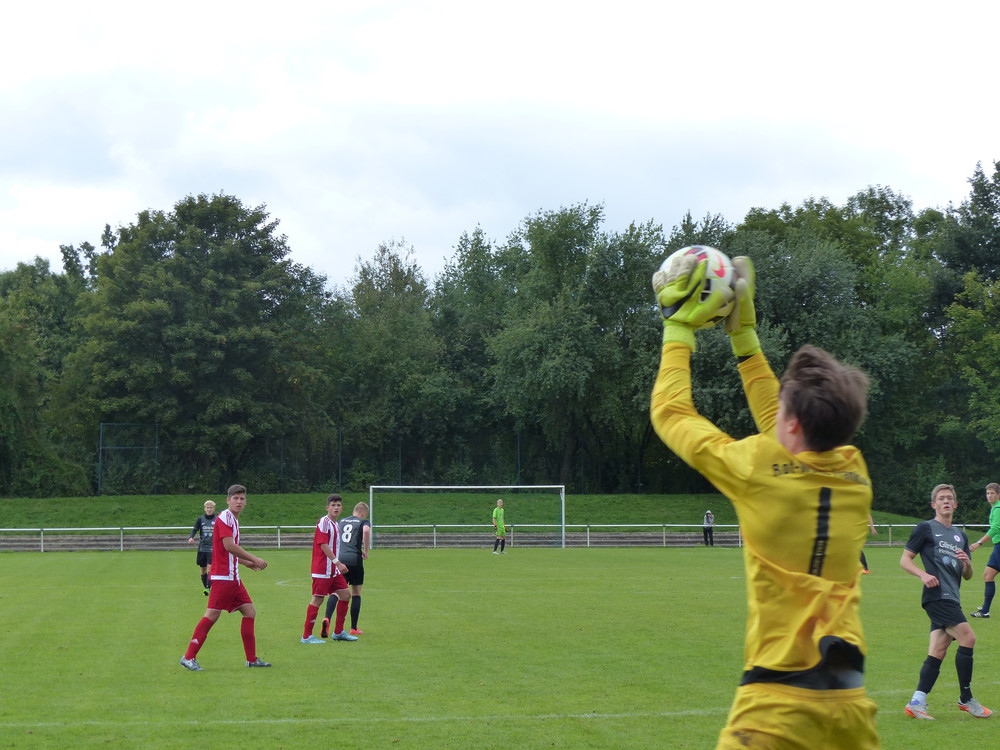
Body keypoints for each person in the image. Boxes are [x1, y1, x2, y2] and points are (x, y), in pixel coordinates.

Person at [649, 252, 879, 749]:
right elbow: (786, 418)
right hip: (850, 712)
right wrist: (743, 337)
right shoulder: (854, 471)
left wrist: (680, 326)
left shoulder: (755, 468)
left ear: (792, 425)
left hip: (775, 708)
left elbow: (671, 412)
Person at [901, 483, 992, 719]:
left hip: (953, 596)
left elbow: (968, 576)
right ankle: (966, 698)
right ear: (934, 504)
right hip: (937, 596)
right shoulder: (925, 528)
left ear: (955, 504)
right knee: (968, 637)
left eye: (950, 498)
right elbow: (905, 559)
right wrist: (922, 574)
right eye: (941, 498)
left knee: (938, 650)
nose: (946, 501)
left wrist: (968, 564)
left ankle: (916, 701)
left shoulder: (961, 535)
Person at [180, 484, 271, 670]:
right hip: (223, 579)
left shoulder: (232, 520)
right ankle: (188, 657)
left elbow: (227, 552)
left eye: (242, 498)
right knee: (212, 615)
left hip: (233, 578)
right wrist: (254, 558)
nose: (239, 501)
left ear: (245, 502)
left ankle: (251, 659)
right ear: (228, 500)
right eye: (235, 498)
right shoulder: (224, 519)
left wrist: (247, 564)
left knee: (249, 612)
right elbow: (229, 546)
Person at [303, 494, 358, 643]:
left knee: (346, 594)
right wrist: (337, 562)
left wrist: (336, 565)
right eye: (333, 505)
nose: (336, 507)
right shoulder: (324, 522)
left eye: (338, 505)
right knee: (317, 599)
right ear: (327, 507)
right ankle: (306, 636)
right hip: (322, 569)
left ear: (342, 508)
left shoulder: (335, 524)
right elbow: (323, 544)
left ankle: (338, 632)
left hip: (333, 570)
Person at [323, 501, 371, 637]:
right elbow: (366, 531)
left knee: (337, 591)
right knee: (356, 593)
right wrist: (366, 550)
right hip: (354, 560)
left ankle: (327, 618)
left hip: (340, 559)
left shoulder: (341, 522)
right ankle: (353, 628)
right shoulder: (363, 521)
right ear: (364, 513)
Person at [969, 482, 1000, 617]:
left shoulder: (998, 508)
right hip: (997, 547)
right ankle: (985, 610)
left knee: (988, 576)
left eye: (992, 493)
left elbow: (995, 529)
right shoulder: (994, 508)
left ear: (998, 495)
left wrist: (979, 543)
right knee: (988, 576)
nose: (989, 496)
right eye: (988, 493)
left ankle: (985, 610)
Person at [187, 500, 217, 595]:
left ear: (213, 509)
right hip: (202, 548)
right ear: (205, 508)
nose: (209, 509)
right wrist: (191, 537)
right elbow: (195, 529)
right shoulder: (200, 519)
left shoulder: (217, 519)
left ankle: (208, 588)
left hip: (212, 548)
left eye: (211, 507)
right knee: (203, 570)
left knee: (210, 569)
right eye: (207, 507)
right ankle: (207, 588)